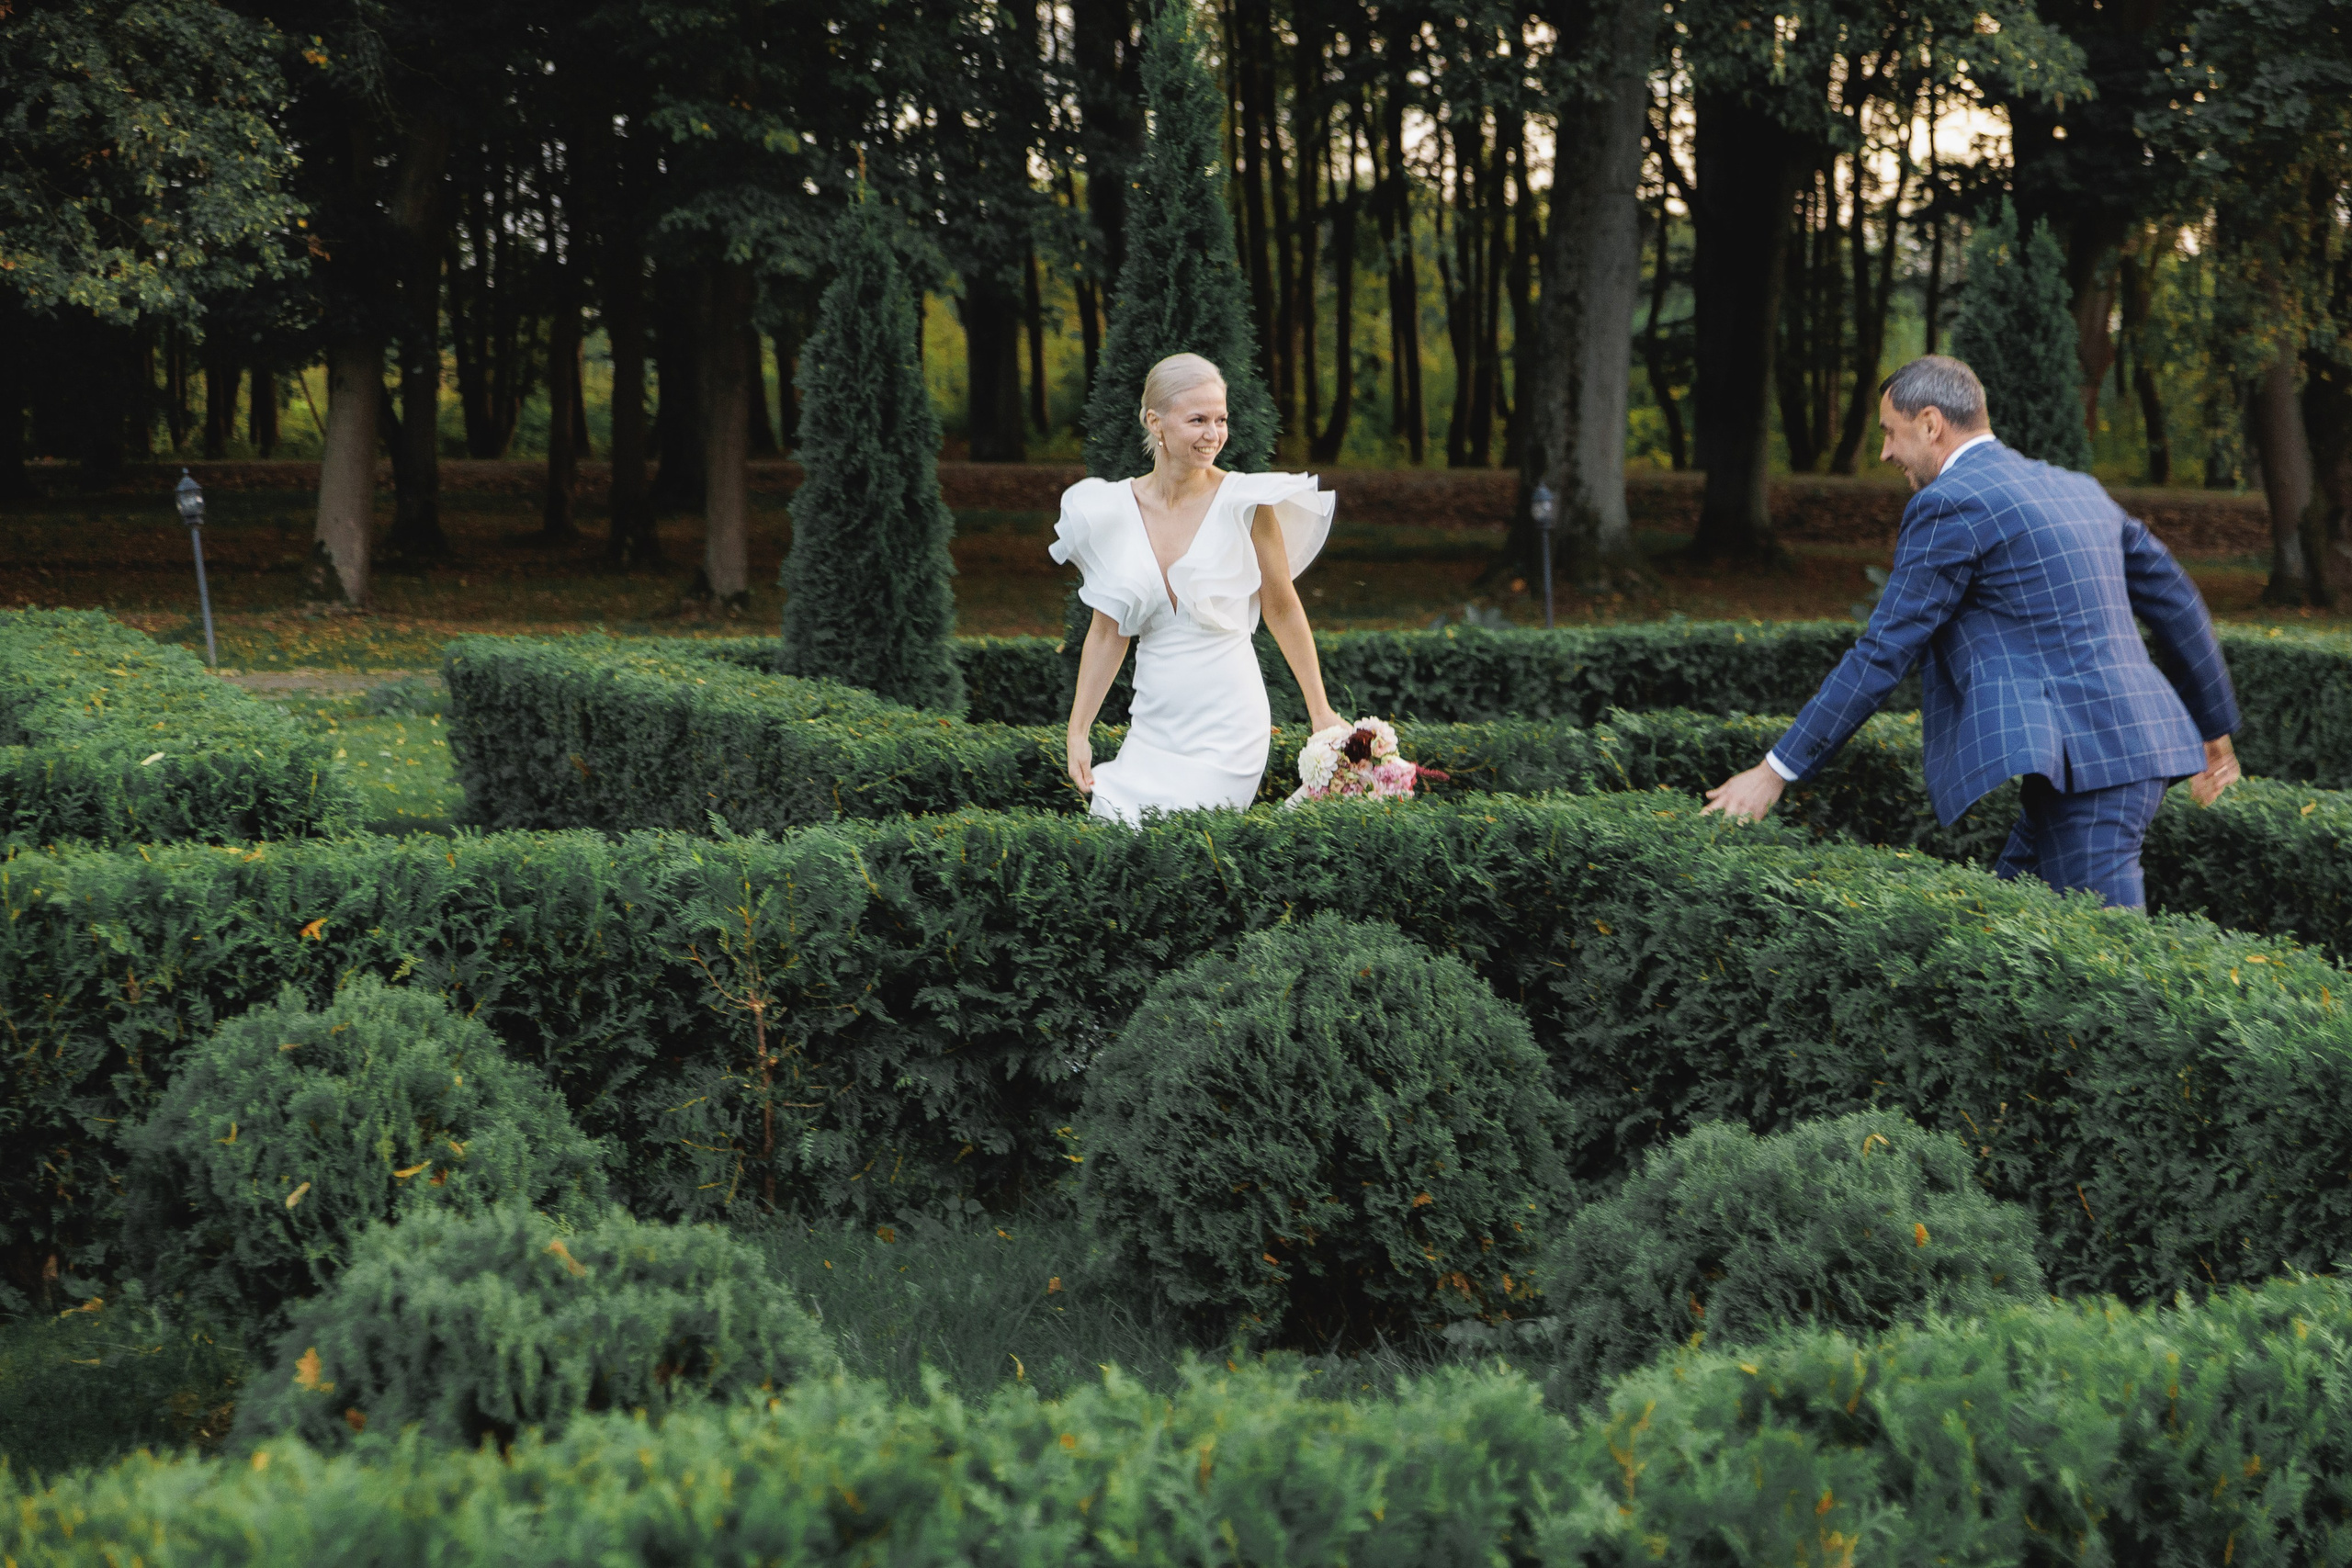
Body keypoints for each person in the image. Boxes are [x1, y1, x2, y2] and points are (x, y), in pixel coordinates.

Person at [1702, 354, 2242, 909]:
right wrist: (2213, 724)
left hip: (2093, 769)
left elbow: (1883, 651)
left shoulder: (1950, 502)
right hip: (2110, 754)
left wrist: (1776, 771)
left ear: (1931, 423)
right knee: (2006, 931)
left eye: (1890, 432)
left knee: (2110, 973)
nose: (1885, 451)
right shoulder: (2074, 487)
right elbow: (2176, 599)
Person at [1055, 353, 1344, 822]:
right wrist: (1078, 730)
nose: (1214, 435)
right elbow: (1108, 633)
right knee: (1115, 828)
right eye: (1198, 420)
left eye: (1221, 419)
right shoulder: (1112, 510)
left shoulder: (1247, 503)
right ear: (1155, 421)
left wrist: (1320, 711)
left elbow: (1283, 609)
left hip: (1229, 727)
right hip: (1152, 727)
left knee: (1186, 837)